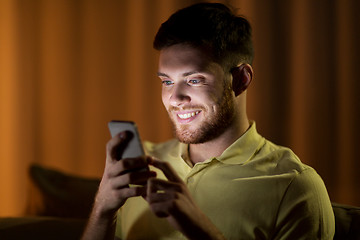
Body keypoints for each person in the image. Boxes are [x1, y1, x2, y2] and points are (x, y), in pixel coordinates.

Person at [82, 2, 335, 240]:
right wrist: (103, 209)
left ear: (241, 79)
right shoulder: (143, 167)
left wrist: (200, 230)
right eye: (167, 81)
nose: (175, 98)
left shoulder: (295, 186)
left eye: (194, 80)